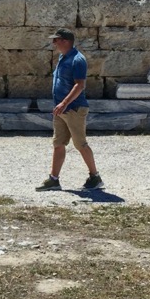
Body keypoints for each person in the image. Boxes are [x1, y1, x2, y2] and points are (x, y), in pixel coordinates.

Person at [37, 27, 101, 190]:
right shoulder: (63, 57)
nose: (54, 43)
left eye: (56, 40)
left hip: (73, 108)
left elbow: (80, 85)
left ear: (65, 41)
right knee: (58, 143)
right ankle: (54, 179)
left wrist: (64, 103)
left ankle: (95, 177)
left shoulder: (78, 60)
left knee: (80, 144)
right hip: (61, 109)